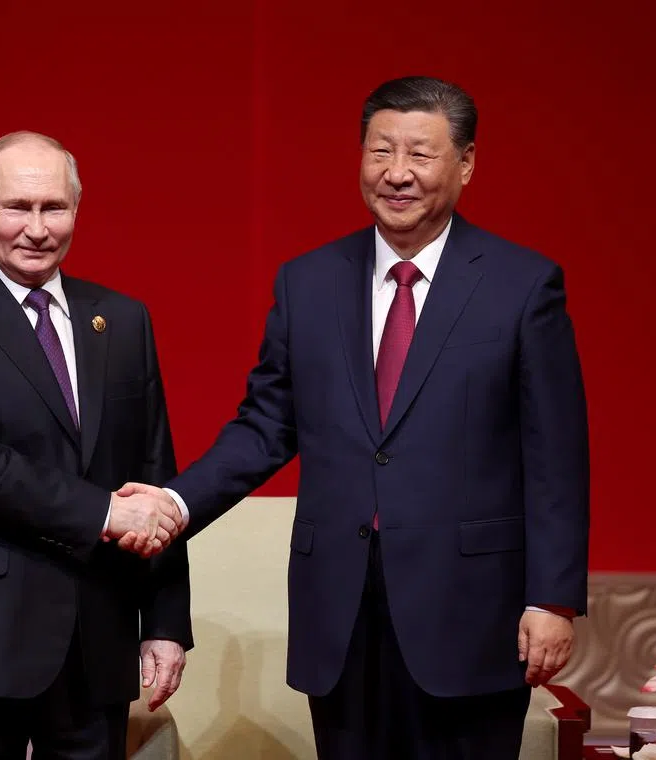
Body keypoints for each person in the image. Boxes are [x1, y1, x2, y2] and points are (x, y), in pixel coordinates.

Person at [119, 76, 590, 759]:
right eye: (380, 151)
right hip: (340, 612)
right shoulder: (308, 282)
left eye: (420, 154)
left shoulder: (522, 286)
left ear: (465, 164)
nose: (397, 173)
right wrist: (174, 501)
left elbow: (557, 457)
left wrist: (552, 599)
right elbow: (265, 425)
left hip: (470, 612)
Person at [0, 131, 191, 760]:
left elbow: (154, 474)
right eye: (17, 207)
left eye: (53, 207)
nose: (36, 228)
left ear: (77, 208)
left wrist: (165, 623)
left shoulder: (123, 319)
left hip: (97, 638)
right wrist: (104, 513)